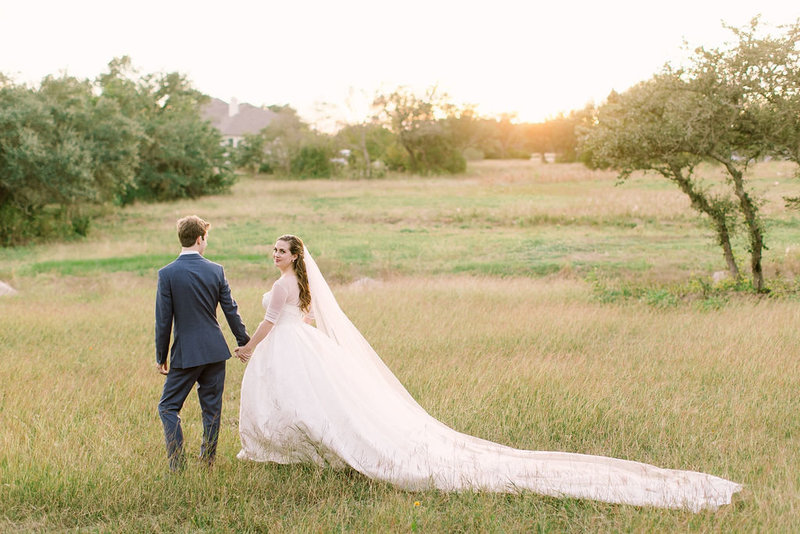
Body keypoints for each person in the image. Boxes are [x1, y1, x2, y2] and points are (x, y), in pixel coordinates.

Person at [235, 234, 742, 511]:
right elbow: (301, 316)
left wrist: (248, 349)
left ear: (295, 255)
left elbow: (271, 319)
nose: (275, 254)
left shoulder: (283, 285)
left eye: (281, 250)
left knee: (304, 402)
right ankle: (300, 448)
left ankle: (298, 448)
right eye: (274, 250)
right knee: (310, 403)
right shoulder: (296, 282)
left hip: (287, 345)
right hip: (302, 345)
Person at [155, 215, 250, 471]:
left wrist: (161, 356)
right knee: (212, 410)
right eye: (206, 238)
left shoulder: (167, 274)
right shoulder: (215, 270)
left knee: (168, 407)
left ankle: (177, 465)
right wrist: (244, 342)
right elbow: (231, 310)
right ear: (200, 238)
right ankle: (207, 461)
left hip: (186, 353)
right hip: (215, 351)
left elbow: (164, 321)